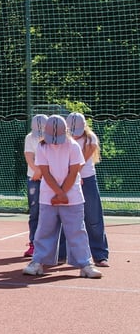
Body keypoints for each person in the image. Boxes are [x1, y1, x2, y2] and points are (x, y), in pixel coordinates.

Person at [23, 115, 102, 278]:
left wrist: (62, 193)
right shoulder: (42, 147)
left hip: (72, 197)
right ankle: (38, 262)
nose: (54, 142)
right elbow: (45, 172)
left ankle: (85, 264)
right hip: (48, 197)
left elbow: (74, 172)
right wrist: (59, 194)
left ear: (66, 131)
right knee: (44, 230)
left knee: (77, 231)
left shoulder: (73, 146)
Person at [66, 112, 109, 267]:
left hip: (87, 180)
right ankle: (62, 255)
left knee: (93, 218)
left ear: (84, 126)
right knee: (66, 217)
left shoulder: (91, 139)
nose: (74, 134)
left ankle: (100, 255)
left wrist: (74, 176)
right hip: (67, 180)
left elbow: (80, 162)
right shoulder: (62, 139)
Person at [23, 114, 48, 257]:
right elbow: (29, 156)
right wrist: (36, 171)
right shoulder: (29, 137)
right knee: (34, 212)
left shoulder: (54, 138)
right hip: (34, 178)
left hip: (50, 178)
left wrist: (44, 172)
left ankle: (52, 245)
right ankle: (33, 244)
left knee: (51, 212)